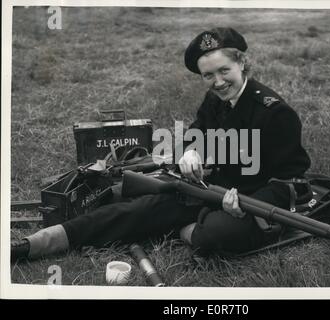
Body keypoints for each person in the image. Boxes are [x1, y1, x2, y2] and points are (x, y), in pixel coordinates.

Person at [11, 27, 311, 261]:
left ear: (242, 63)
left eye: (224, 71)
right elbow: (199, 131)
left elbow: (290, 180)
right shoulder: (215, 99)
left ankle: (188, 227)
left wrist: (247, 204)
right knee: (134, 210)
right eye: (208, 76)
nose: (218, 82)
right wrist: (192, 151)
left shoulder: (275, 113)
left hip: (250, 201)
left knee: (214, 236)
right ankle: (33, 245)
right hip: (208, 188)